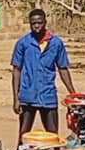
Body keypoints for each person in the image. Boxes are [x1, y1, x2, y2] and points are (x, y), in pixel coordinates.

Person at [11, 9, 76, 143]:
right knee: (24, 136)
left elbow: (63, 68)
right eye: (33, 23)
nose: (36, 26)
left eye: (39, 23)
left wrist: (73, 94)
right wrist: (16, 98)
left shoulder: (56, 44)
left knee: (52, 138)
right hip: (27, 97)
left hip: (48, 96)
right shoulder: (23, 43)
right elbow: (16, 70)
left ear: (45, 22)